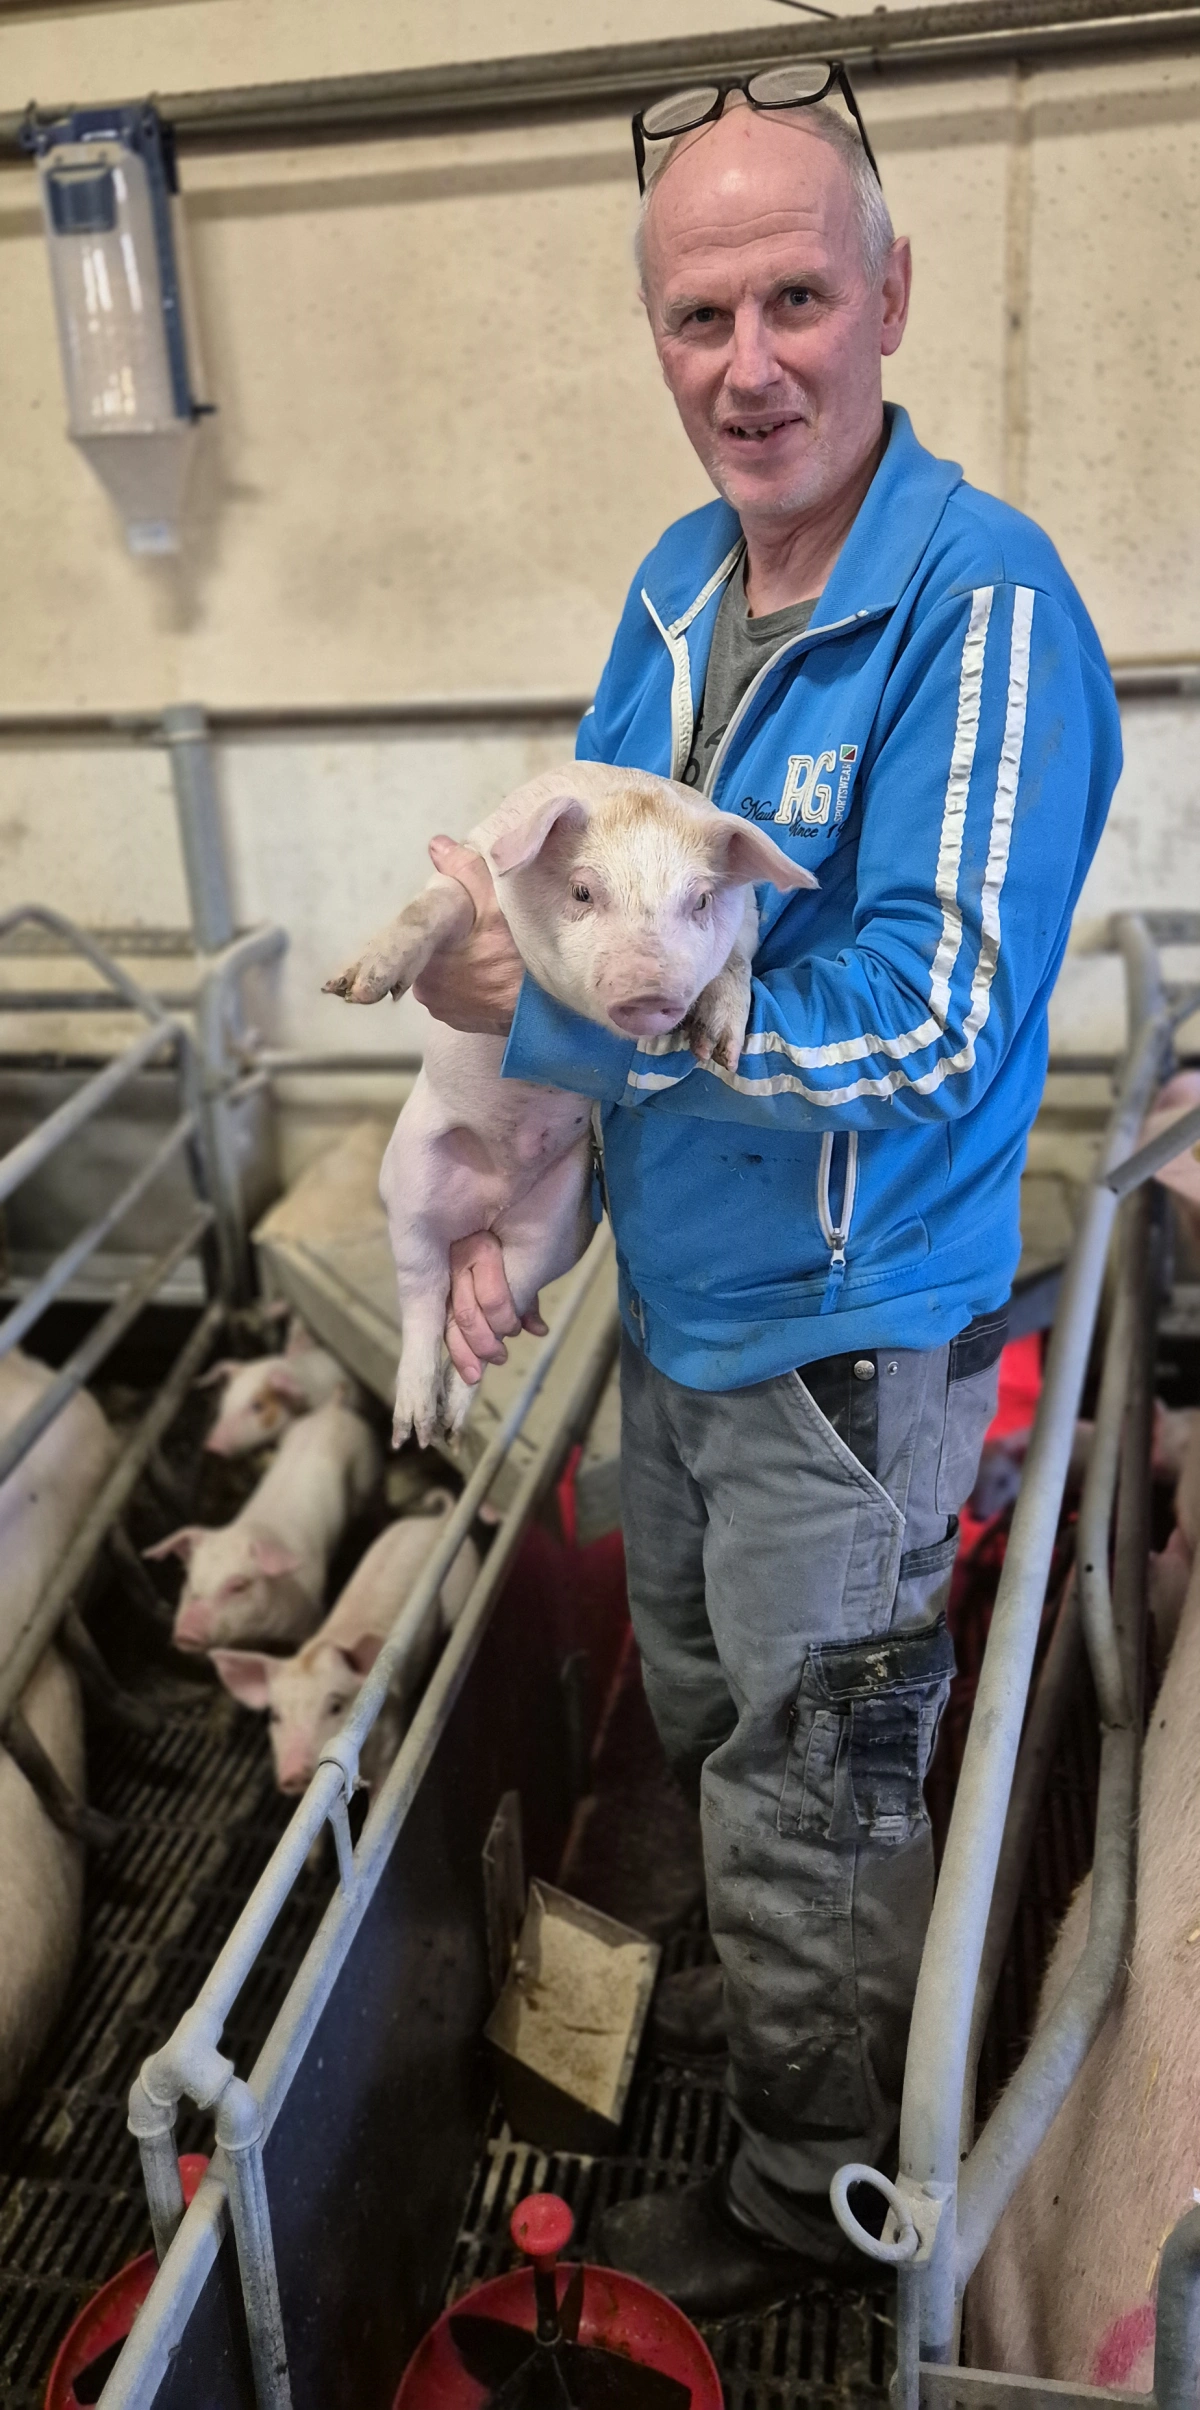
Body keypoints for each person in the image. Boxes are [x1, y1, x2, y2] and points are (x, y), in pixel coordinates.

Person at [410, 77, 1121, 2317]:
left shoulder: (979, 613)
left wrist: (589, 1005)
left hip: (840, 1329)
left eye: (798, 295)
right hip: (689, 1312)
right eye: (699, 311)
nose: (752, 360)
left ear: (891, 297)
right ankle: (787, 2000)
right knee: (719, 1712)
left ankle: (812, 2186)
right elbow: (576, 869)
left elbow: (941, 1011)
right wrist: (534, 1097)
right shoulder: (672, 582)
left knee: (819, 1773)